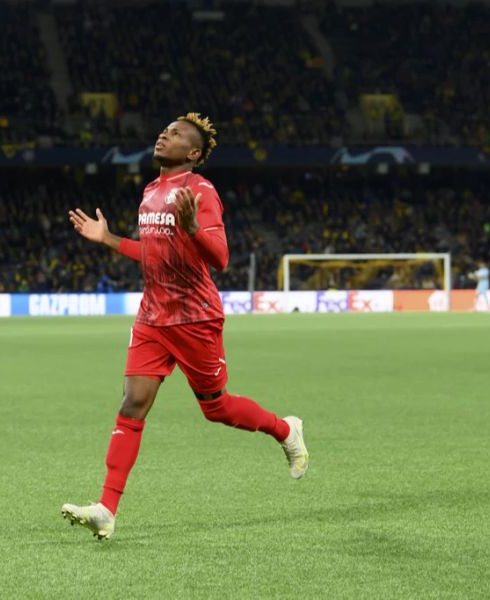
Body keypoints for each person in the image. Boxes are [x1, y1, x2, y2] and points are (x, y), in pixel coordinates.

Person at [62, 113, 308, 540]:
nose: (163, 134)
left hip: (195, 318)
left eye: (175, 134)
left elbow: (220, 257)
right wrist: (108, 239)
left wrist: (194, 228)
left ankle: (286, 429)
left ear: (193, 153)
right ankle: (106, 507)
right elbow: (154, 254)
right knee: (132, 404)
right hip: (153, 316)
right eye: (164, 129)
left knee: (216, 408)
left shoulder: (201, 191)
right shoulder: (151, 191)